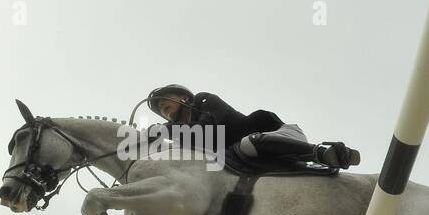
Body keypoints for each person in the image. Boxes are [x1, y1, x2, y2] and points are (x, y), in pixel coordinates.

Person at [146, 84, 360, 170]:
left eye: (165, 101)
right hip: (245, 159)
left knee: (248, 143)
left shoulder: (203, 101)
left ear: (183, 97)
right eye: (160, 109)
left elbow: (209, 132)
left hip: (278, 135)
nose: (162, 108)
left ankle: (321, 152)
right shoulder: (179, 134)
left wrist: (165, 131)